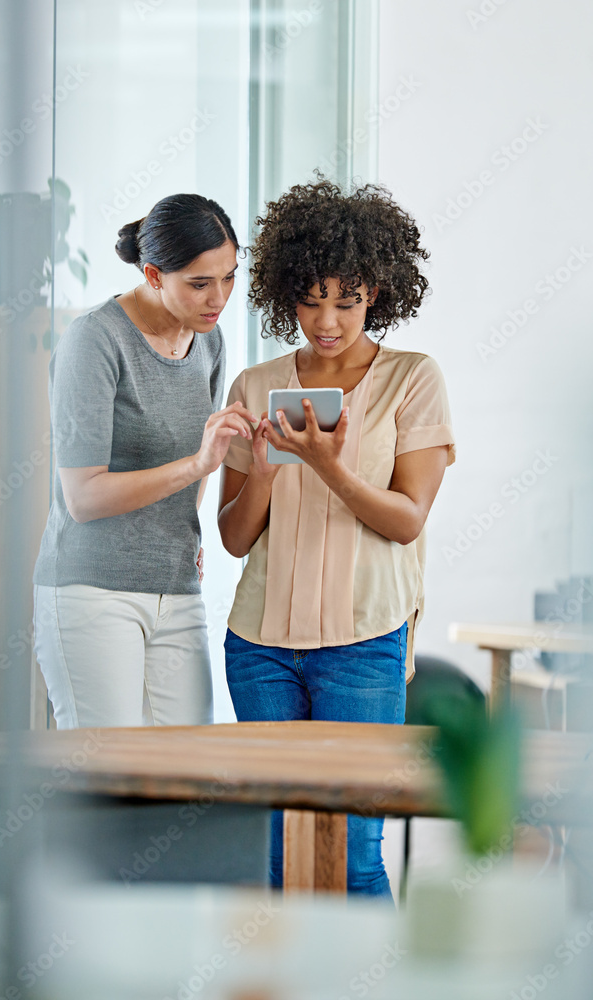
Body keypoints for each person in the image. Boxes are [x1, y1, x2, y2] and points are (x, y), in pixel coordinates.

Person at [218, 178, 456, 897]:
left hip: (364, 646)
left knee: (352, 858)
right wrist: (261, 471)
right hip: (260, 647)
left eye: (346, 301)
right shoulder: (255, 385)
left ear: (377, 292)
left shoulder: (412, 381)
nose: (326, 321)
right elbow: (234, 539)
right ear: (286, 292)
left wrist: (325, 465)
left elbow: (406, 518)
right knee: (277, 858)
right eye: (310, 299)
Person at [33, 193, 256, 730]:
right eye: (199, 284)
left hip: (175, 587)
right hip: (92, 589)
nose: (218, 297)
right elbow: (82, 498)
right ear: (154, 275)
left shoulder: (209, 340)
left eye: (228, 277)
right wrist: (197, 466)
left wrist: (186, 527)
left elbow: (198, 456)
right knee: (105, 779)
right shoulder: (96, 340)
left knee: (184, 773)